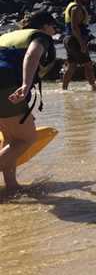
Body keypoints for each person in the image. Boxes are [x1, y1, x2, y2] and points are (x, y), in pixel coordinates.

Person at [0, 11, 59, 196]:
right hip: (5, 84)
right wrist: (26, 85)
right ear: (44, 26)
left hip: (5, 86)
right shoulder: (41, 37)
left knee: (10, 138)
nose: (55, 30)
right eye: (53, 26)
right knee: (26, 139)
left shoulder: (7, 36)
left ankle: (12, 187)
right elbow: (32, 56)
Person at [62, 0, 96, 91]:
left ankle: (64, 89)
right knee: (88, 65)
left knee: (72, 65)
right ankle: (94, 87)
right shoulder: (76, 8)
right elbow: (74, 27)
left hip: (68, 39)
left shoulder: (72, 6)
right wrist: (82, 43)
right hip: (75, 40)